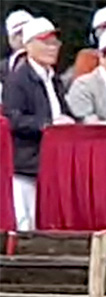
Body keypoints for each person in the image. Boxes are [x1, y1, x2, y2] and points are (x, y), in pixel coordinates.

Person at [4, 17, 74, 233]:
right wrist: (46, 125)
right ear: (29, 45)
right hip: (26, 162)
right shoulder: (18, 80)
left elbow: (64, 112)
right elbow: (13, 119)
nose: (53, 48)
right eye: (46, 43)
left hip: (51, 160)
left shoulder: (55, 80)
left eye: (55, 43)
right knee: (26, 222)